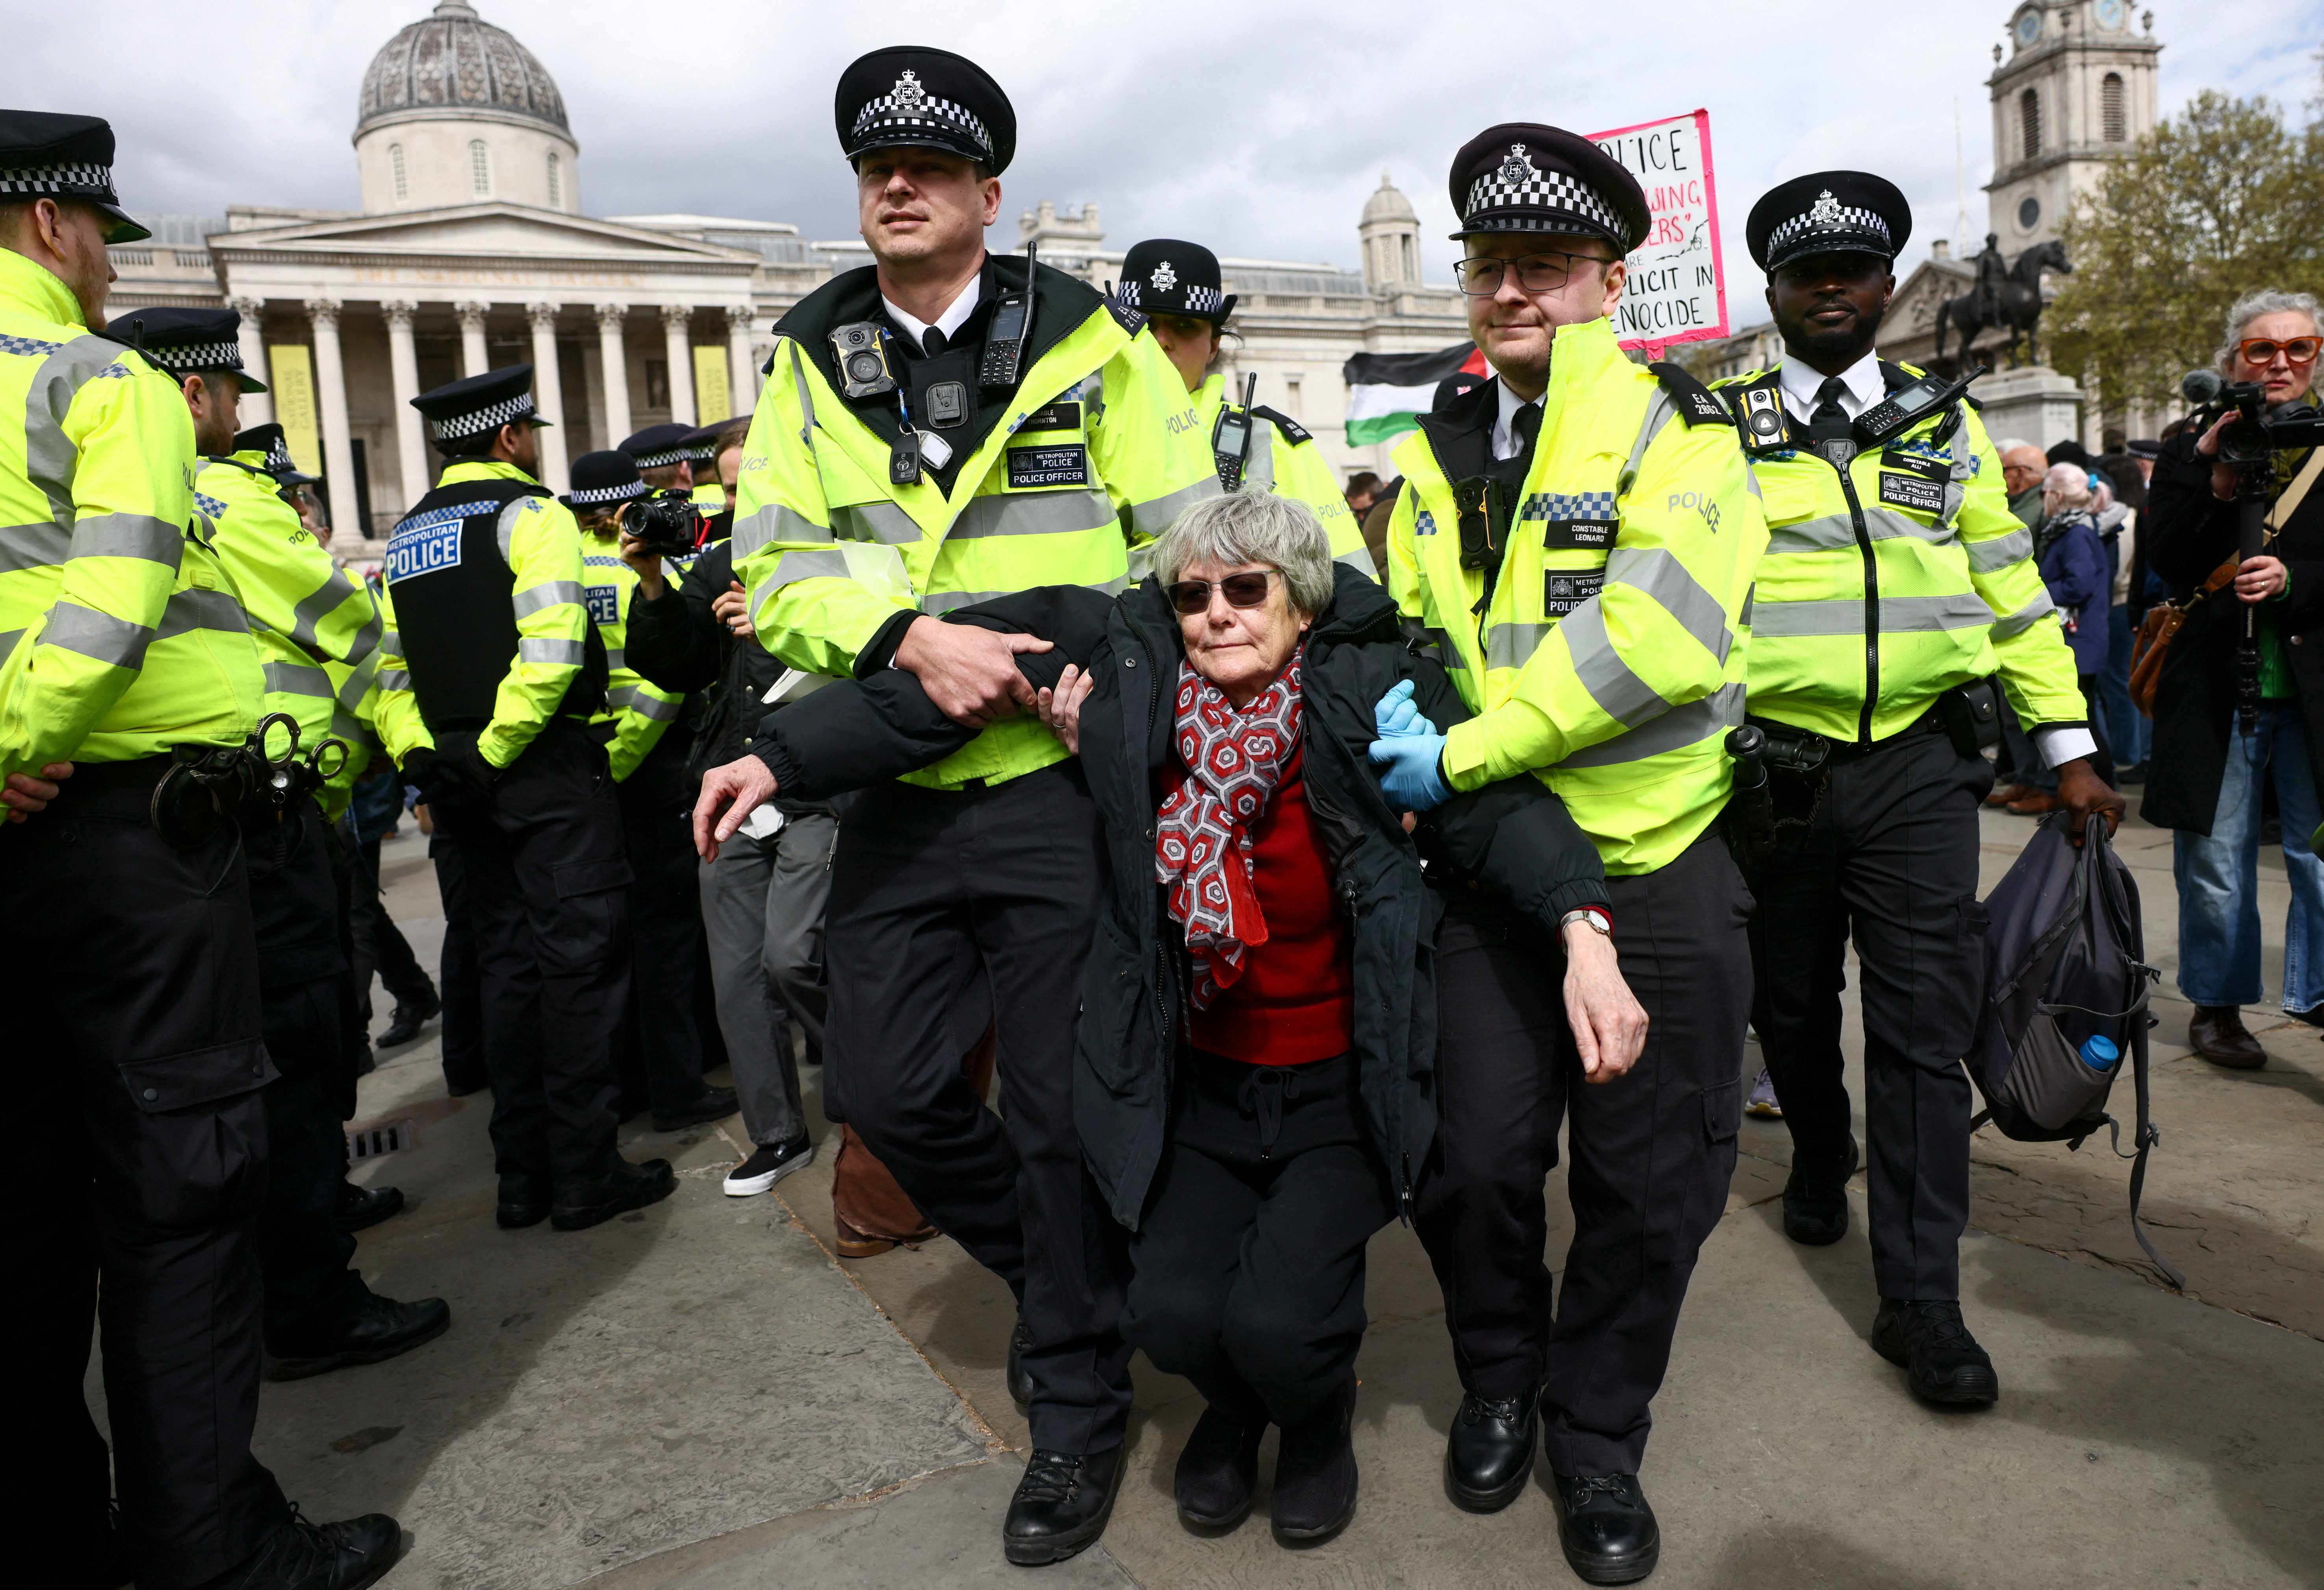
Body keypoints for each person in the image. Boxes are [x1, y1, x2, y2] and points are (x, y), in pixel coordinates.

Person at [693, 44, 1219, 1565]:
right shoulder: (806, 362)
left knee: (1055, 1116)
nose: (896, 187)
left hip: (1056, 786)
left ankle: (1072, 1407)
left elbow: (1184, 545)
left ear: (990, 195)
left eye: (927, 170)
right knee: (896, 1092)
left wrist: (1060, 652)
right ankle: (1081, 1297)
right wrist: (903, 634)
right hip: (905, 795)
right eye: (874, 169)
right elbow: (779, 572)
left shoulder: (1094, 348)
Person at [0, 109, 403, 1589]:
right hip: (117, 841)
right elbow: (108, 602)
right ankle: (204, 1547)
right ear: (54, 226)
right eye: (100, 233)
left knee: (27, 1212)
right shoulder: (97, 382)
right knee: (177, 1205)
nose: (107, 261)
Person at [1376, 123, 1760, 1585]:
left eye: (1542, 267)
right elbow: (1418, 627)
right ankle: (1498, 1378)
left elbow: (1658, 638)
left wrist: (1467, 750)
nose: (1510, 292)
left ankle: (1595, 1437)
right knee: (1468, 1163)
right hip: (1489, 869)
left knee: (1648, 1184)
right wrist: (1411, 703)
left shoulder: (1686, 433)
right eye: (1489, 268)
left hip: (1649, 859)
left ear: (1611, 279)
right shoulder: (1436, 446)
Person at [1710, 173, 2118, 1413]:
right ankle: (1819, 1153)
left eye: (1853, 272)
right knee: (1787, 1004)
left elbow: (2007, 596)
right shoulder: (1714, 426)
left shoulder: (1943, 426)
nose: (1831, 289)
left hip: (1915, 770)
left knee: (1920, 1033)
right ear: (1773, 294)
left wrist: (2066, 747)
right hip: (1769, 773)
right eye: (1804, 274)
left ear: (1885, 289)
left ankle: (1920, 1298)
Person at [99, 309, 455, 1386]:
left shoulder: (92, 484)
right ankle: (308, 1298)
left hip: (161, 822)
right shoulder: (220, 497)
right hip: (259, 811)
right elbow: (352, 628)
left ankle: (291, 1261)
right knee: (296, 1050)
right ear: (198, 394)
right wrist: (426, 750)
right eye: (231, 394)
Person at [373, 365, 676, 1232]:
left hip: (456, 776)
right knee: (579, 968)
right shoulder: (531, 514)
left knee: (506, 970)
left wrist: (429, 755)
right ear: (510, 437)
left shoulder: (404, 534)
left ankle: (521, 1174)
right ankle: (584, 1174)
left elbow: (388, 669)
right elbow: (550, 651)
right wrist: (500, 750)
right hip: (538, 770)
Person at [622, 442, 830, 1199]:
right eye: (729, 486)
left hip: (819, 783)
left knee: (795, 954)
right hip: (731, 784)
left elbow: (874, 648)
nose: (737, 499)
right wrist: (651, 581)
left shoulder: (839, 542)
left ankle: (878, 1094)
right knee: (738, 973)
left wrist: (777, 618)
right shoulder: (724, 555)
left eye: (752, 483)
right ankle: (777, 1133)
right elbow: (677, 663)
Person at [2144, 289, 2324, 1069]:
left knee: (2317, 858)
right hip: (2217, 687)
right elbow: (2167, 558)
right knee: (2215, 861)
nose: (2280, 362)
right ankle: (2217, 1006)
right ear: (2232, 362)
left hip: (2311, 690)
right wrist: (2217, 484)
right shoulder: (2189, 445)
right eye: (2261, 350)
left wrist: (2294, 580)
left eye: (2299, 347)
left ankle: (2317, 996)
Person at [563, 449, 735, 1131]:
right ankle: (677, 1083)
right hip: (654, 764)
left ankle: (628, 1080)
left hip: (587, 772)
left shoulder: (557, 562)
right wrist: (628, 759)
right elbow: (672, 677)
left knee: (609, 936)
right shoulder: (653, 563)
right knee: (668, 937)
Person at [1118, 237, 1371, 575]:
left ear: (1214, 346)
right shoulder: (1079, 432)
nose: (1161, 340)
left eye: (1184, 325)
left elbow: (1352, 583)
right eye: (1144, 324)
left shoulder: (1272, 443)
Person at [1991, 465, 2117, 811]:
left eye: (2046, 493)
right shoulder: (2067, 528)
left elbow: (2079, 584)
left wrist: (2030, 591)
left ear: (2057, 496)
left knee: (2077, 719)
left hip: (2079, 639)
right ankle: (2031, 781)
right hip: (2074, 636)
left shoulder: (2076, 531)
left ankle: (2058, 787)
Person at [1997, 438, 2048, 527]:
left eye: (2003, 470)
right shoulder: (2020, 503)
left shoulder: (2042, 513)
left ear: (2020, 474)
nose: (1999, 475)